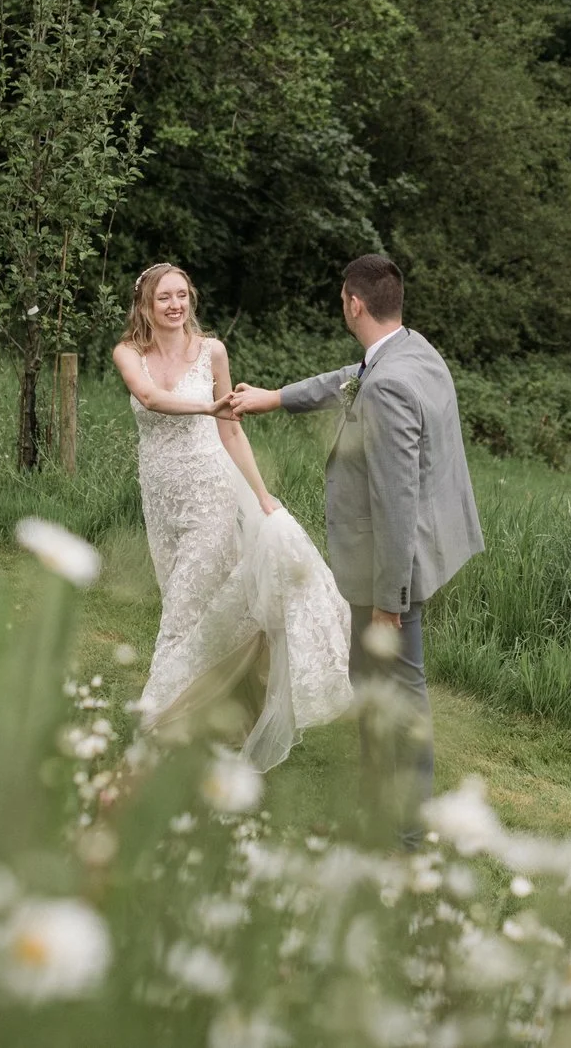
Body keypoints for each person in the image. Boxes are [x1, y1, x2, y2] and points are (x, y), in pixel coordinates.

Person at [227, 254, 483, 844]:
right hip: (411, 555)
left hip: (391, 569)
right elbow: (350, 377)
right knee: (369, 682)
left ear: (354, 304)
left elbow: (397, 501)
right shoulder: (411, 349)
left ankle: (408, 839)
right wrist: (275, 397)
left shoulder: (389, 385)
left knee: (401, 695)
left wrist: (391, 604)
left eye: (343, 298)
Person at [110, 263, 350, 771]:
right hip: (160, 496)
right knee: (186, 596)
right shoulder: (129, 353)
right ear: (146, 306)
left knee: (183, 606)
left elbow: (231, 431)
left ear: (191, 299)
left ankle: (155, 721)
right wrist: (207, 407)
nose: (175, 306)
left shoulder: (213, 352)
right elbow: (150, 397)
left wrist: (262, 495)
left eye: (182, 296)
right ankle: (225, 714)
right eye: (163, 299)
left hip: (211, 492)